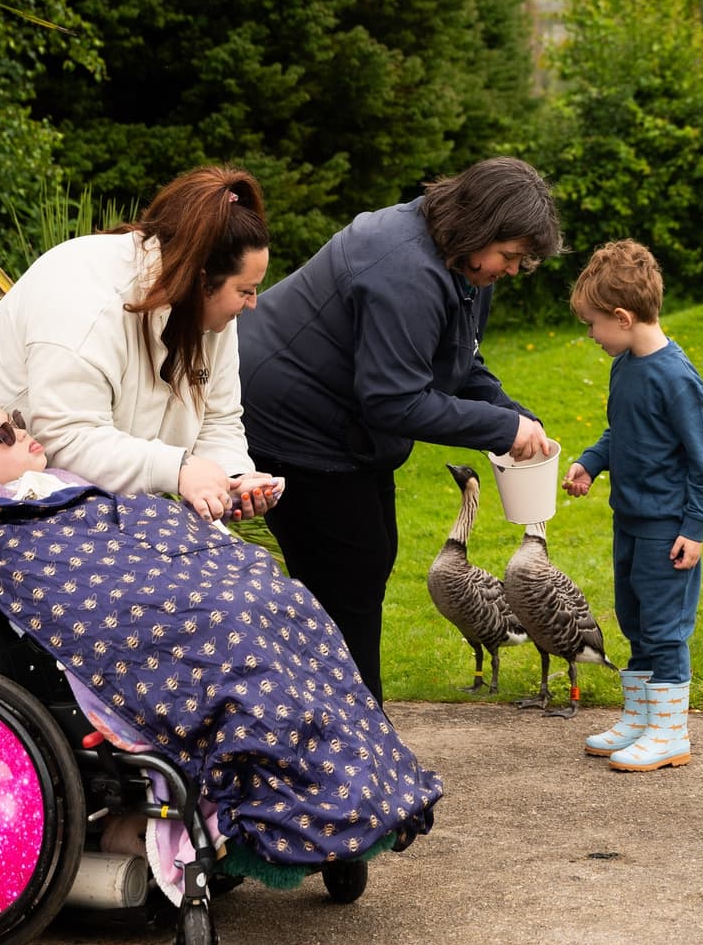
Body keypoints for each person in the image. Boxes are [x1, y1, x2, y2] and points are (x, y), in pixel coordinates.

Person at [0, 397, 443, 885]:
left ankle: (349, 794)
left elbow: (123, 526)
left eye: (16, 420)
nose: (23, 434)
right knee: (232, 629)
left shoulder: (53, 485)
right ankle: (285, 807)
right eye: (3, 435)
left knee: (282, 601)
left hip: (154, 574)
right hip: (116, 625)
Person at [237, 156, 562, 703]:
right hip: (292, 424)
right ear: (481, 227)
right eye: (509, 256)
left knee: (367, 560)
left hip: (341, 426)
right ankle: (356, 748)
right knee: (346, 582)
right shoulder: (404, 268)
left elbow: (457, 359)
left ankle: (347, 731)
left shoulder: (458, 258)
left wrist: (514, 414)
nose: (510, 270)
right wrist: (500, 428)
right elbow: (394, 400)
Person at [0, 164, 280, 525]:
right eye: (245, 291)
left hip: (90, 513)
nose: (253, 303)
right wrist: (179, 469)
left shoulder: (212, 313)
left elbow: (218, 418)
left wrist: (234, 478)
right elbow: (67, 441)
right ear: (201, 280)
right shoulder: (86, 297)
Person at [562, 239, 703, 773]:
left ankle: (670, 733)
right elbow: (621, 432)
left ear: (623, 317)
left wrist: (694, 528)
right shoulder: (625, 365)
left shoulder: (678, 380)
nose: (591, 334)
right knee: (634, 620)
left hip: (667, 530)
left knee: (664, 627)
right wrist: (590, 462)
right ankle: (641, 717)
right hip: (628, 522)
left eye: (593, 324)